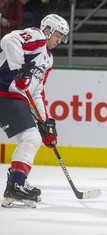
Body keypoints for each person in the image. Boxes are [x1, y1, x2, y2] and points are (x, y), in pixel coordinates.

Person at [0, 14, 69, 208]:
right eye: (58, 35)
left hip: (14, 96)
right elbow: (9, 39)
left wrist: (44, 122)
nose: (60, 40)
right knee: (30, 138)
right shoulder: (37, 37)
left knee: (33, 137)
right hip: (4, 91)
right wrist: (19, 68)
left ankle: (16, 183)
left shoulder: (48, 59)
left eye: (63, 37)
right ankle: (16, 183)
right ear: (48, 30)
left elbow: (36, 91)